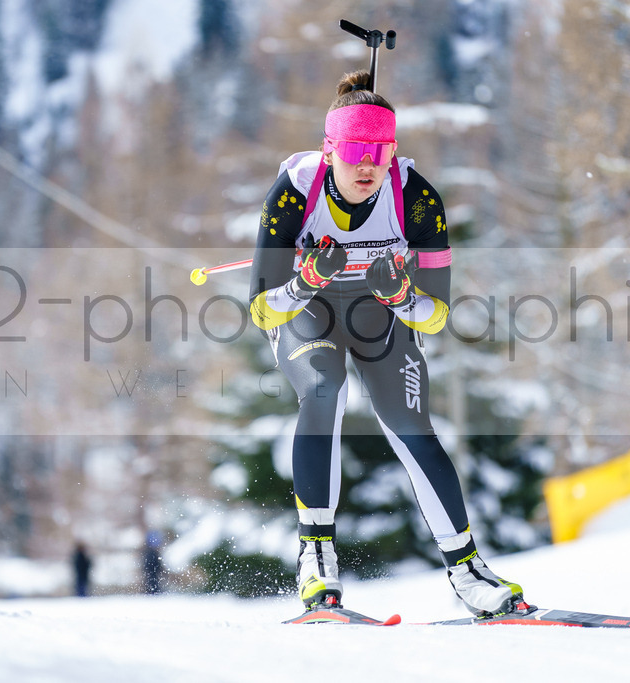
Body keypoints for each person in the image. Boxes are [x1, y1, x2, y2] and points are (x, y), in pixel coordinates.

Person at [248, 70, 524, 617]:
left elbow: (435, 317)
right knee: (324, 392)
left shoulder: (415, 198)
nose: (367, 166)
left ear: (393, 151)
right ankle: (316, 560)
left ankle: (468, 573)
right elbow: (261, 309)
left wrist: (400, 295)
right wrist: (305, 282)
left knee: (411, 424)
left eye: (379, 152)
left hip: (380, 314)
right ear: (330, 150)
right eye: (355, 151)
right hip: (308, 313)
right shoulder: (294, 192)